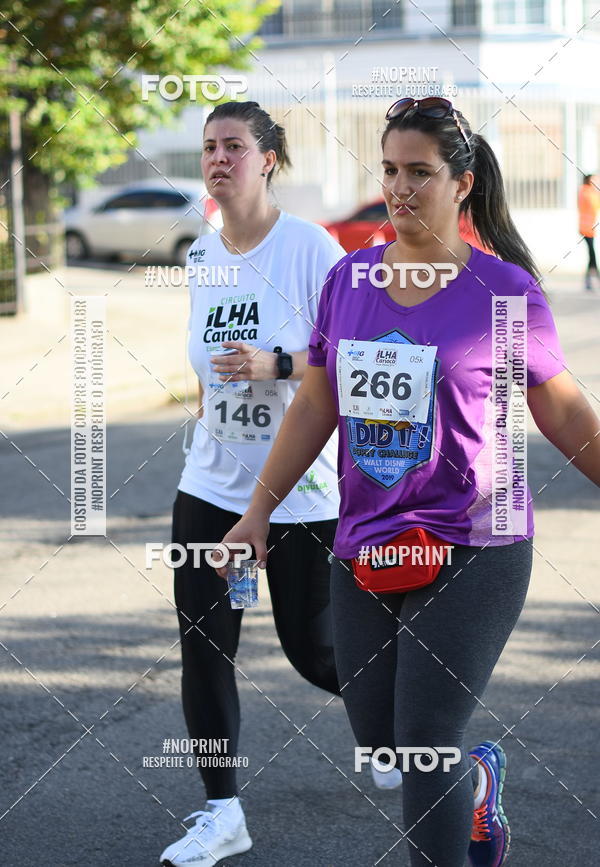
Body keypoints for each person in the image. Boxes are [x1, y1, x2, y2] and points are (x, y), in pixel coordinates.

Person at [220, 97, 600, 866]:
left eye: (419, 172)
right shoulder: (351, 279)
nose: (398, 187)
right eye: (389, 170)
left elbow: (563, 412)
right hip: (366, 542)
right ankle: (479, 783)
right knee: (383, 738)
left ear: (461, 183)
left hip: (475, 543)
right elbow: (319, 398)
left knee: (425, 743)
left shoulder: (502, 292)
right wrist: (256, 511)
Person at [159, 101, 346, 867]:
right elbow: (206, 372)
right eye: (209, 146)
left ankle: (432, 738)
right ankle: (222, 811)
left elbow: (351, 354)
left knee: (319, 653)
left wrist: (276, 363)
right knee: (205, 647)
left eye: (234, 145)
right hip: (208, 487)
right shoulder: (201, 255)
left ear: (268, 158)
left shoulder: (311, 247)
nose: (218, 157)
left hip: (299, 489)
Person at [577, 173, 600, 290]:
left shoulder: (587, 191)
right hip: (586, 229)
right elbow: (594, 204)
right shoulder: (587, 192)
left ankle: (588, 280)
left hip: (588, 229)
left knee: (592, 254)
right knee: (592, 255)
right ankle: (591, 279)